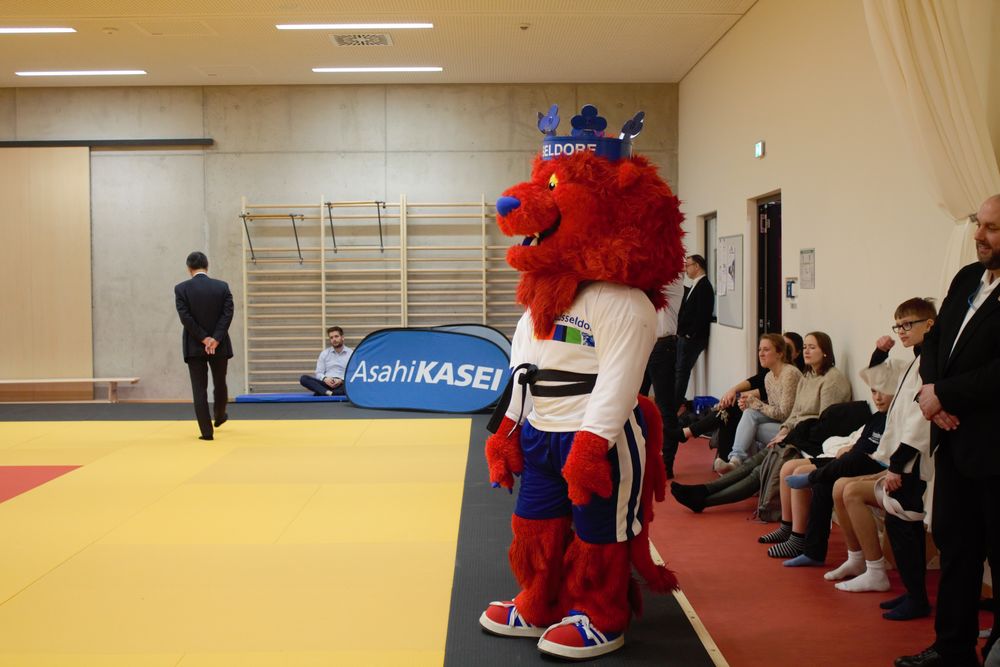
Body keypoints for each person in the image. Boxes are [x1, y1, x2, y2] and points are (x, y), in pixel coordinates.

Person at [897, 195, 1000, 667]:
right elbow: (934, 344)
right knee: (957, 551)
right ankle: (953, 648)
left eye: (991, 228)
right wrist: (931, 394)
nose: (978, 235)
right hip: (954, 440)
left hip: (994, 446)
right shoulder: (965, 279)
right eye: (980, 224)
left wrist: (946, 395)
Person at [670, 331, 851, 513]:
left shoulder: (831, 380)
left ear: (826, 351)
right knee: (752, 462)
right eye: (805, 347)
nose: (806, 351)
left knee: (758, 470)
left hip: (809, 441)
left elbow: (823, 423)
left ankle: (704, 497)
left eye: (812, 347)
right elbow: (796, 413)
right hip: (796, 433)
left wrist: (789, 433)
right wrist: (784, 429)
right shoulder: (808, 376)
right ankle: (705, 488)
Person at [714, 333, 802, 472]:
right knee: (749, 414)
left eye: (766, 350)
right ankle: (735, 461)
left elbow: (785, 414)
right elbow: (773, 410)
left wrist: (757, 404)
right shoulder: (768, 377)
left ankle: (743, 470)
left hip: (792, 428)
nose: (761, 354)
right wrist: (749, 406)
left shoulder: (790, 373)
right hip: (780, 423)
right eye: (760, 350)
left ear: (779, 353)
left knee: (750, 427)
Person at [174, 251, 234, 441]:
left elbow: (186, 318)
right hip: (220, 344)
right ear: (207, 266)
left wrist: (203, 339)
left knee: (199, 389)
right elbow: (227, 315)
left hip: (194, 345)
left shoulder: (181, 289)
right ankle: (219, 413)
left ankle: (206, 432)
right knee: (220, 382)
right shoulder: (222, 287)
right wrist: (215, 339)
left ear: (189, 268)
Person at [643, 273, 684, 478]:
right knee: (633, 402)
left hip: (662, 346)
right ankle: (641, 457)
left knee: (665, 406)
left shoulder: (672, 281)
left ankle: (666, 463)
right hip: (643, 344)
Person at [674, 254, 714, 409]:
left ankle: (675, 407)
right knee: (679, 371)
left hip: (692, 338)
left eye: (687, 265)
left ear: (697, 266)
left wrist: (690, 334)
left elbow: (702, 314)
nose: (685, 269)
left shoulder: (704, 286)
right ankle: (677, 402)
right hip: (685, 336)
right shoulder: (695, 285)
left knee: (682, 372)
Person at [300, 326, 353, 396]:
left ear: (342, 337)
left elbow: (353, 373)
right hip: (326, 383)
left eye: (336, 336)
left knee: (353, 385)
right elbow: (318, 373)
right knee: (304, 379)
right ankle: (329, 393)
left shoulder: (351, 353)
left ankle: (323, 392)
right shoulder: (324, 353)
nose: (334, 339)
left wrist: (341, 380)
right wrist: (325, 379)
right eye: (331, 337)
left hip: (342, 384)